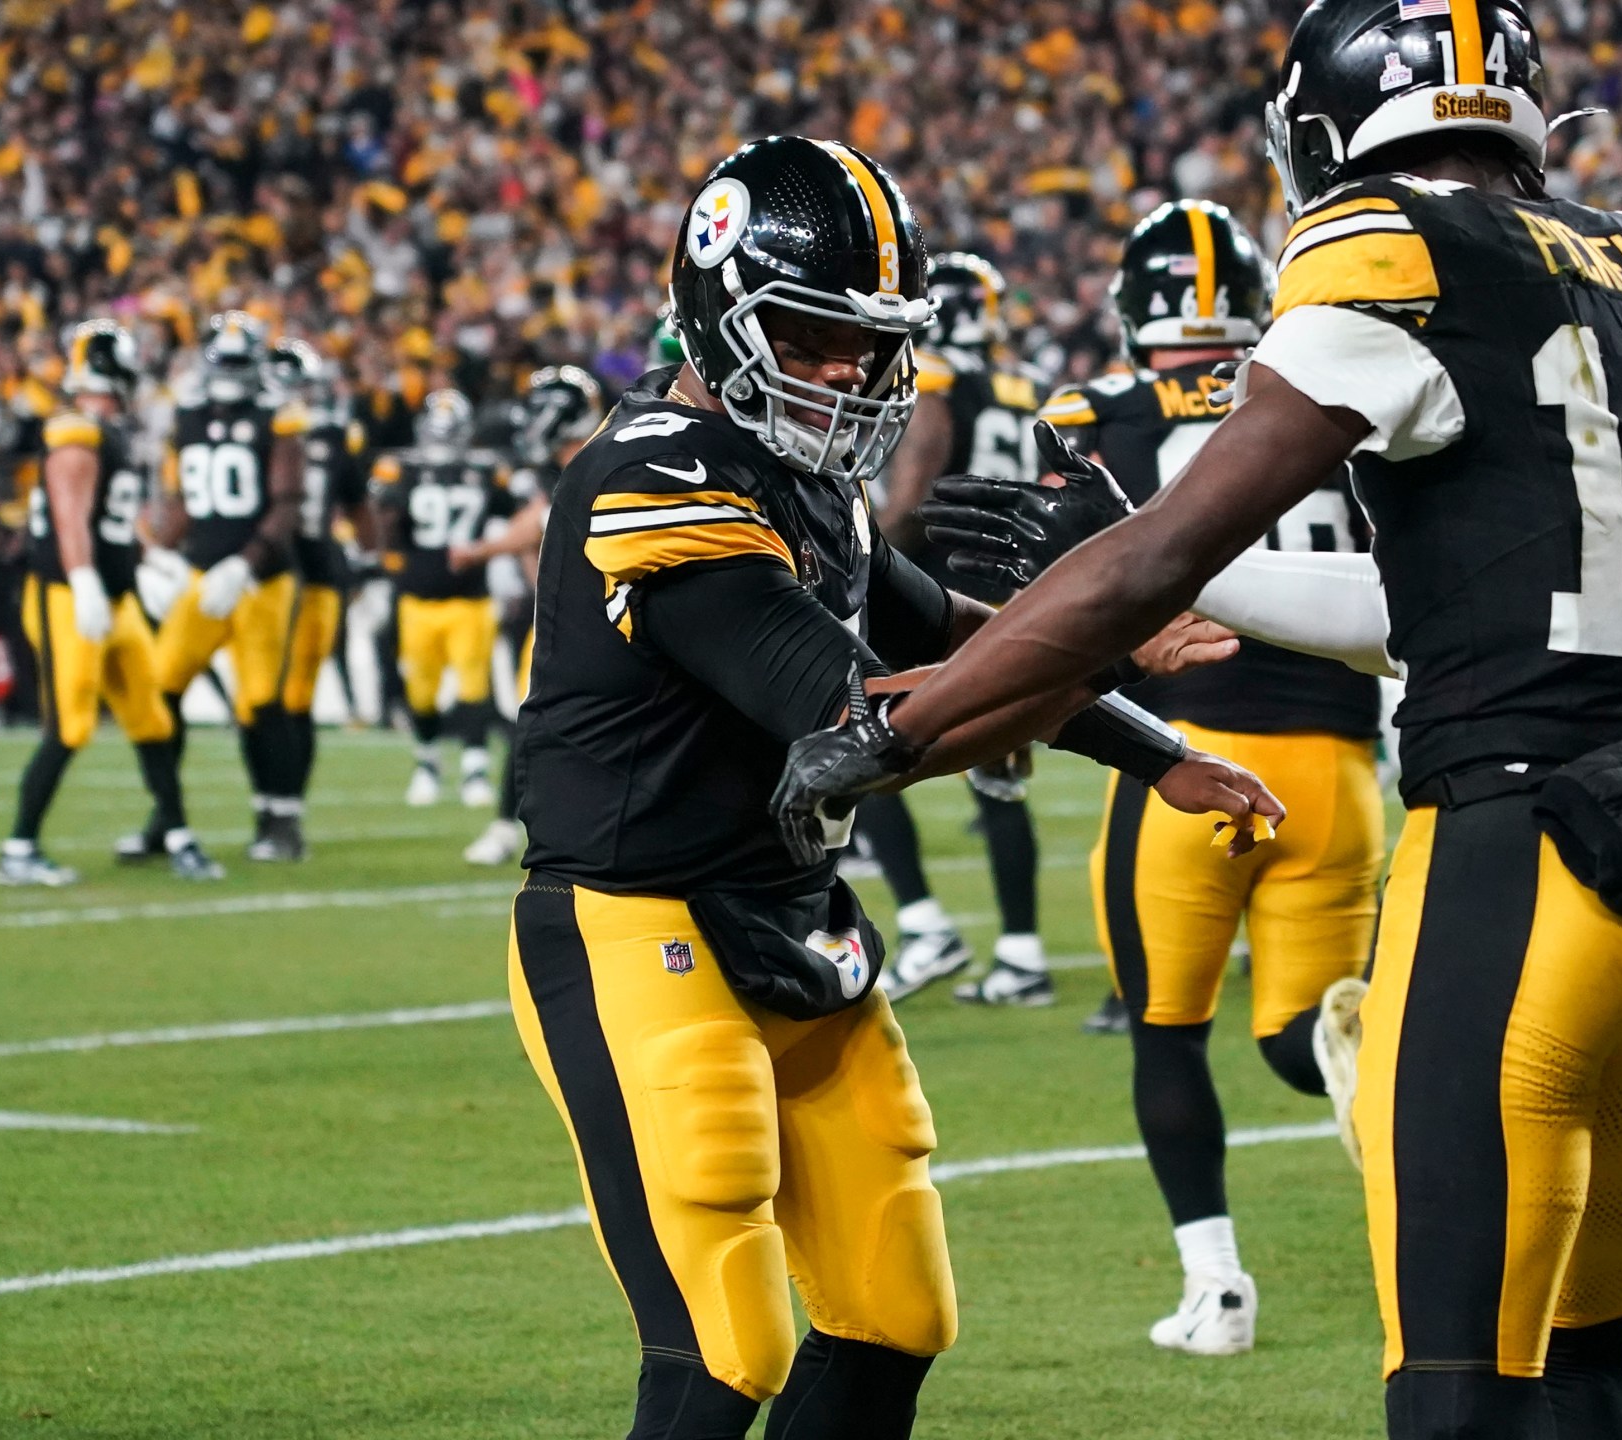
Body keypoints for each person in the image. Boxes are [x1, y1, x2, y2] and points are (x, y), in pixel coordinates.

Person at [772, 6, 1622, 1433]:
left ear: (1326, 126)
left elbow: (1158, 560)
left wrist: (907, 730)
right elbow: (1441, 598)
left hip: (1523, 851)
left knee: (1457, 1391)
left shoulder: (1390, 243)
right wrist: (1166, 568)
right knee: (1583, 1376)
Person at [504, 135, 1274, 1439]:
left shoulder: (807, 484)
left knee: (893, 1312)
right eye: (812, 335)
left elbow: (956, 641)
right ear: (718, 309)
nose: (849, 371)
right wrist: (1106, 611)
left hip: (795, 917)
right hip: (635, 927)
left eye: (869, 342)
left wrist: (1157, 745)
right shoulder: (652, 478)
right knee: (722, 1351)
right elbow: (863, 722)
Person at [1033, 198, 1386, 1351]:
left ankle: (1217, 1293)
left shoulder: (1095, 416)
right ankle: (1368, 1080)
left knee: (1166, 1032)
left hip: (1184, 760)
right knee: (1300, 1035)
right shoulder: (1328, 392)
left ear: (1136, 310)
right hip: (1337, 771)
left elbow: (1076, 592)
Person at [856, 252, 1051, 1006]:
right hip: (1014, 593)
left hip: (941, 595)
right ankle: (1022, 955)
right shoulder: (1027, 382)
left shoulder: (934, 374)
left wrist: (872, 556)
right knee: (1000, 782)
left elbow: (920, 476)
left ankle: (925, 922)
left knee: (860, 743)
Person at [0, 321, 219, 886]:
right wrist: (85, 582)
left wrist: (148, 556)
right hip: (68, 596)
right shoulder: (77, 431)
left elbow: (108, 520)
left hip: (114, 597)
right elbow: (71, 517)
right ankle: (19, 848)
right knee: (69, 727)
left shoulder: (107, 430)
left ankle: (177, 835)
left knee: (151, 716)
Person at [141, 311, 311, 864]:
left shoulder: (278, 417)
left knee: (260, 703)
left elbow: (287, 504)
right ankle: (165, 815)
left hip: (259, 582)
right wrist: (158, 553)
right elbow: (185, 500)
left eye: (243, 362)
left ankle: (280, 818)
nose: (234, 373)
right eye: (227, 361)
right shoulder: (186, 417)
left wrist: (244, 564)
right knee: (160, 689)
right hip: (200, 575)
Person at [451, 364, 603, 865]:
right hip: (569, 617)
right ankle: (508, 825)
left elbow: (541, 520)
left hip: (607, 621)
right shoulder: (565, 466)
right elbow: (537, 524)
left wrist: (479, 551)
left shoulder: (600, 457)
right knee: (532, 723)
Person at [372, 389, 516, 809]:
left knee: (473, 686)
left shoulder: (486, 470)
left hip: (470, 597)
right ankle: (427, 763)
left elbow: (511, 518)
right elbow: (385, 524)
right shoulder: (402, 470)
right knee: (421, 690)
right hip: (418, 598)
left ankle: (474, 767)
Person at [265, 337, 368, 841]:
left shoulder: (327, 436)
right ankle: (273, 808)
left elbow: (356, 502)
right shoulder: (268, 430)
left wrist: (371, 555)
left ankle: (286, 811)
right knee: (265, 700)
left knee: (292, 698)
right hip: (266, 575)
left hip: (312, 576)